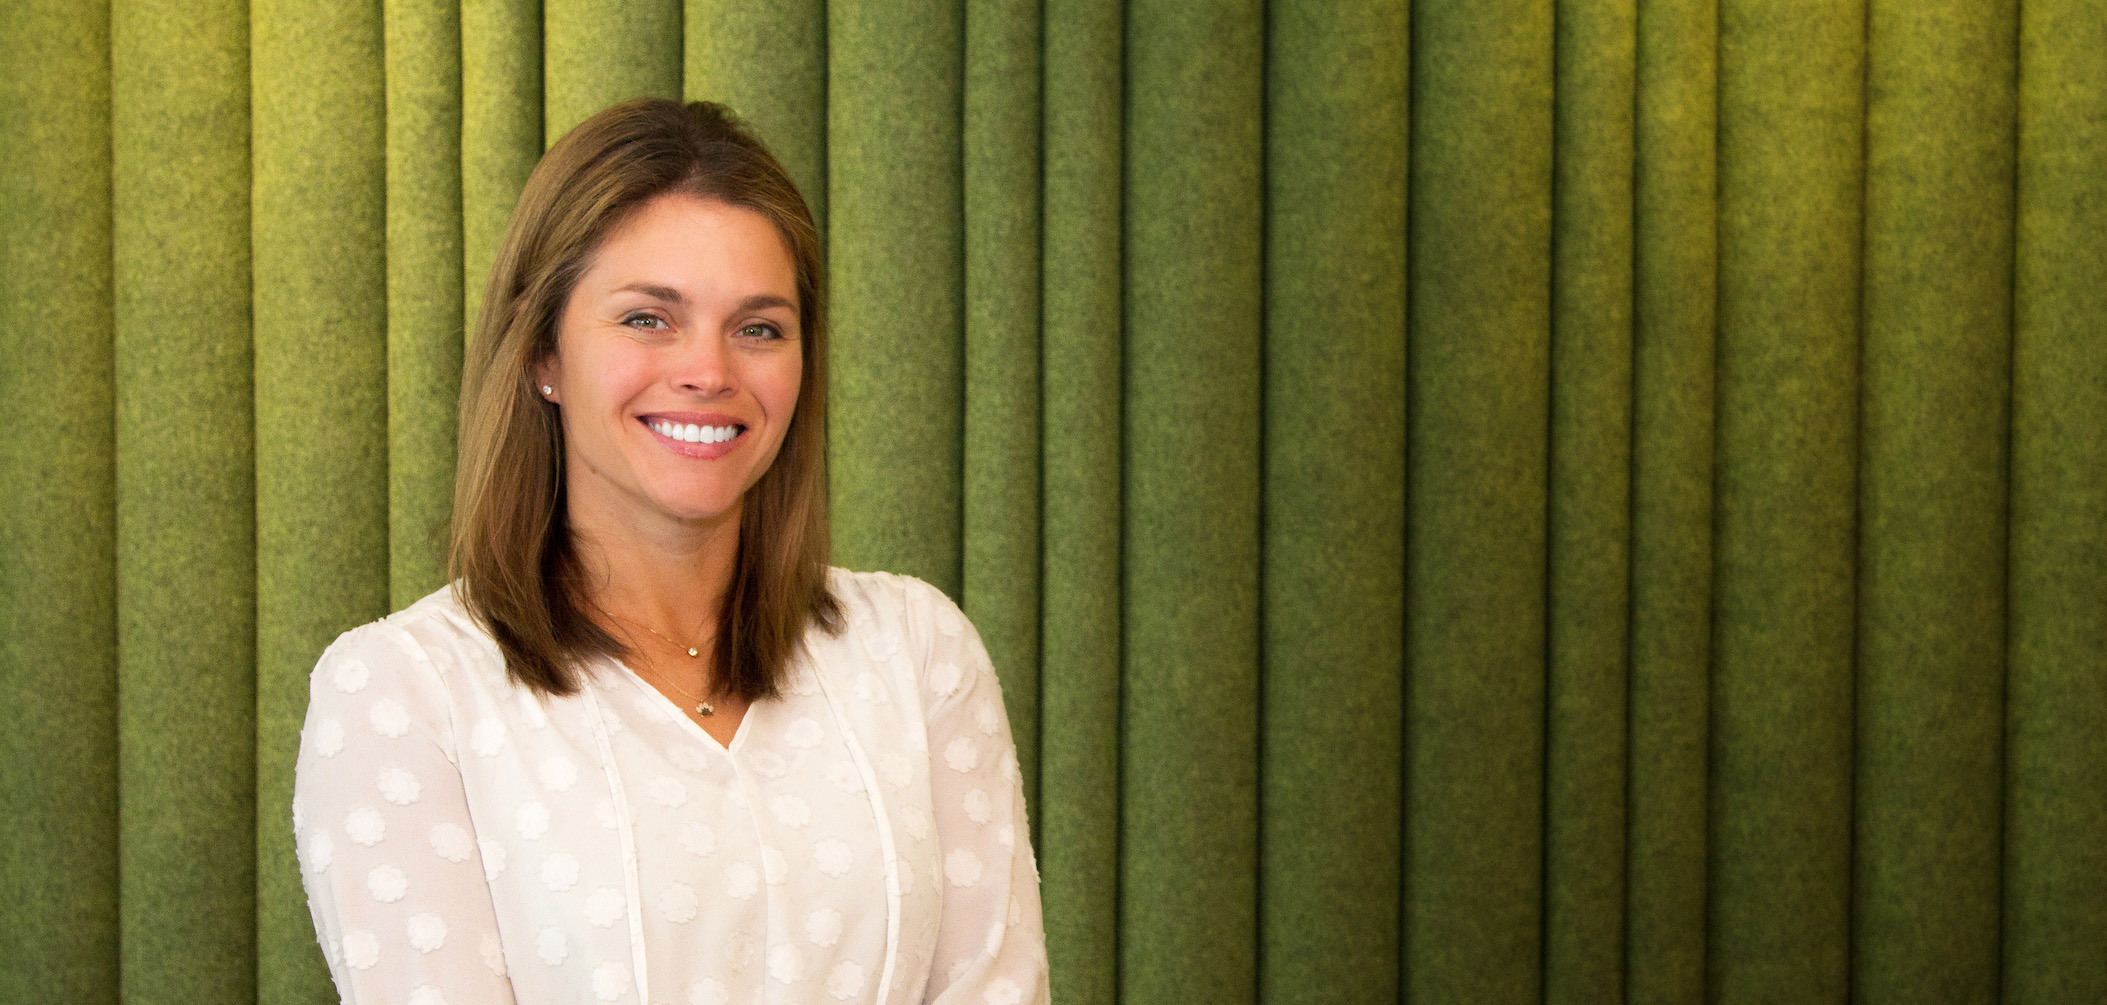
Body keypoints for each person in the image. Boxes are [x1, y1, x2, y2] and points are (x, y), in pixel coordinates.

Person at [291, 98, 1049, 1005]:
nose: (709, 369)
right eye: (649, 318)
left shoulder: (917, 650)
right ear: (542, 354)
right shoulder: (402, 693)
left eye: (759, 326)